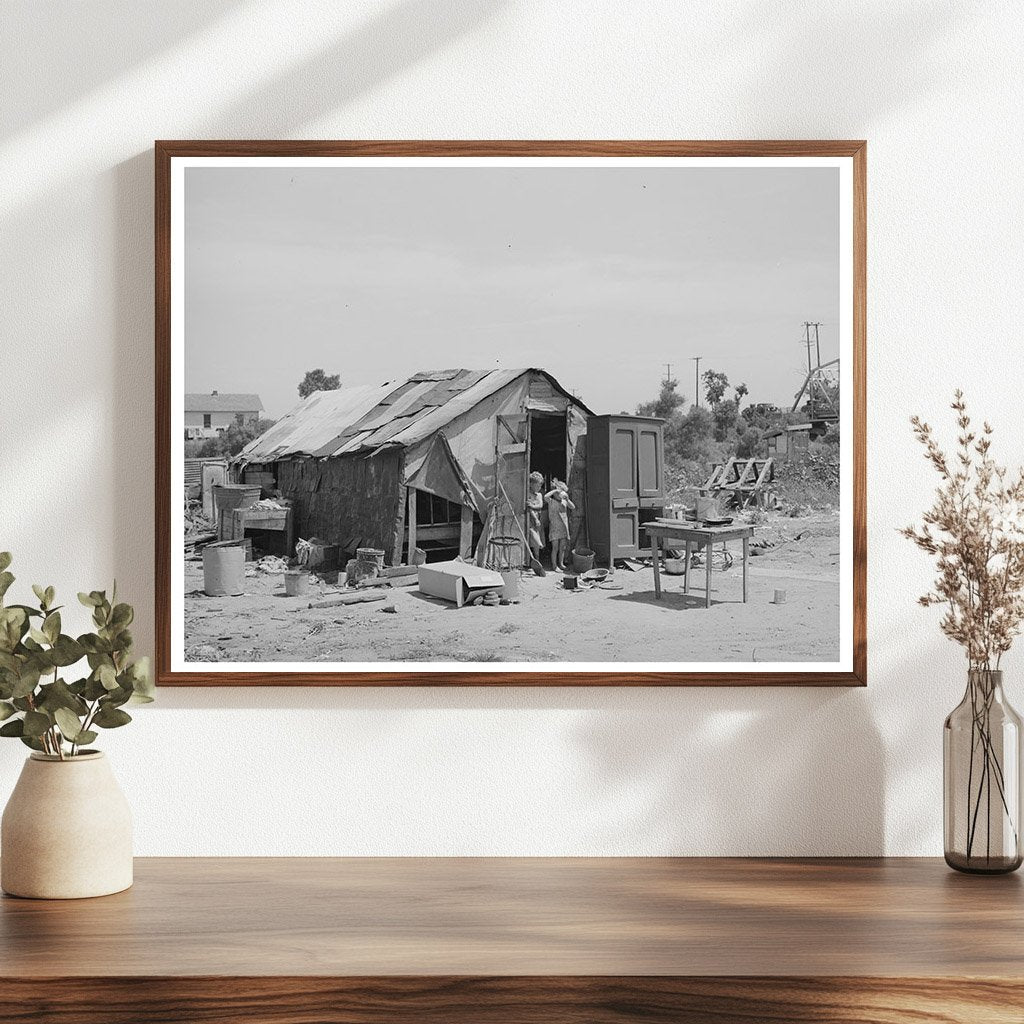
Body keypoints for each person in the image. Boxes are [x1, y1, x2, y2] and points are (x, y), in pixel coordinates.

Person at [545, 478, 575, 572]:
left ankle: (561, 564)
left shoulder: (564, 501)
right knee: (555, 547)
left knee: (562, 547)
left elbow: (573, 507)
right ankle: (554, 565)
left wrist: (567, 499)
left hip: (563, 527)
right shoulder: (551, 501)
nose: (560, 495)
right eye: (558, 493)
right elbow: (545, 496)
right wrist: (555, 490)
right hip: (554, 527)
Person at [526, 471, 546, 566]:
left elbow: (540, 505)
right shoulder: (527, 494)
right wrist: (534, 516)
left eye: (540, 486)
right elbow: (528, 508)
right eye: (537, 486)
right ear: (531, 484)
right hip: (529, 518)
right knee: (529, 538)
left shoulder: (539, 495)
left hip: (538, 518)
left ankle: (537, 560)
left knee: (535, 543)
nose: (539, 488)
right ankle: (529, 561)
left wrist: (533, 505)